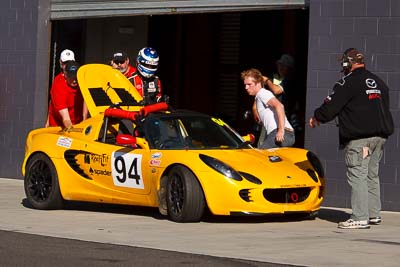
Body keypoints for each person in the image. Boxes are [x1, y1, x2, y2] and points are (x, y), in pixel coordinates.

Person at [309, 48, 394, 229]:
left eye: (343, 62)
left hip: (360, 139)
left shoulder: (347, 82)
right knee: (372, 175)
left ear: (348, 63)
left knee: (358, 176)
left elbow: (330, 107)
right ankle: (373, 214)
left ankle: (360, 217)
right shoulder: (379, 82)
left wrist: (317, 116)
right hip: (380, 137)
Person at [253, 54, 302, 148]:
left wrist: (267, 81)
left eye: (284, 66)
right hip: (271, 118)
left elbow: (276, 90)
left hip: (284, 118)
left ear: (290, 69)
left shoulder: (289, 80)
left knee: (273, 147)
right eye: (280, 65)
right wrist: (255, 106)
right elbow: (262, 93)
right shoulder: (275, 78)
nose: (281, 68)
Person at [241, 68, 295, 148]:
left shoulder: (262, 93)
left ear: (258, 83)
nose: (246, 87)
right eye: (245, 85)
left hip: (282, 133)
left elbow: (280, 106)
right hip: (285, 134)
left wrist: (281, 130)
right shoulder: (259, 96)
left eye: (249, 84)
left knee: (260, 156)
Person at [47, 61, 88, 129]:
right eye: (71, 77)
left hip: (77, 122)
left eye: (76, 77)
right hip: (58, 125)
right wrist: (72, 131)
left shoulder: (82, 81)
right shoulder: (59, 86)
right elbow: (66, 119)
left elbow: (86, 99)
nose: (74, 80)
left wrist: (84, 123)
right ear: (65, 75)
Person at [45, 49, 76, 127]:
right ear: (60, 63)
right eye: (65, 63)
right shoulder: (58, 83)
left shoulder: (80, 78)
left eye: (70, 62)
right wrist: (48, 122)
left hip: (76, 124)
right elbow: (53, 101)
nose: (67, 65)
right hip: (58, 126)